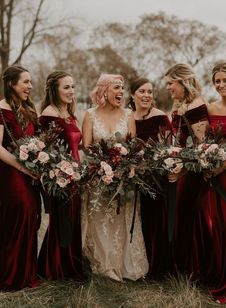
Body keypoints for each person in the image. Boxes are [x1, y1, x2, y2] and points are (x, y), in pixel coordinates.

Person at [82, 73, 148, 281]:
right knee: (100, 217)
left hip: (123, 177)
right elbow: (86, 146)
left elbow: (133, 146)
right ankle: (104, 263)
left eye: (122, 88)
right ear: (104, 91)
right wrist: (102, 166)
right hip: (98, 176)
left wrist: (124, 166)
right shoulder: (90, 115)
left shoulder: (129, 115)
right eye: (116, 88)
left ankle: (121, 263)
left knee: (120, 217)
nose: (121, 92)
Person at [191, 62, 226, 303]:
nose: (221, 85)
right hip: (213, 173)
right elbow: (204, 138)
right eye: (217, 81)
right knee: (210, 219)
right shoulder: (211, 107)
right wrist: (206, 161)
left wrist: (222, 167)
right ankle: (215, 273)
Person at [38, 71, 85, 281]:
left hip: (75, 175)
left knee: (72, 220)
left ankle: (70, 264)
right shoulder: (49, 114)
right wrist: (61, 173)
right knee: (61, 221)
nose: (71, 91)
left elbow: (74, 143)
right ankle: (54, 268)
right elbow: (47, 150)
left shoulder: (69, 113)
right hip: (60, 177)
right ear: (54, 89)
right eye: (66, 87)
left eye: (73, 87)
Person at [164, 63, 209, 275]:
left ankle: (190, 269)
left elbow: (202, 145)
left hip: (191, 171)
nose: (168, 88)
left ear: (183, 82)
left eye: (170, 83)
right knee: (177, 213)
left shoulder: (197, 106)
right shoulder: (181, 103)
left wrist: (182, 167)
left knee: (185, 213)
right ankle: (178, 266)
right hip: (179, 165)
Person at [0, 65, 40, 290]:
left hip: (30, 172)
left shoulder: (28, 109)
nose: (30, 86)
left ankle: (26, 273)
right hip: (9, 172)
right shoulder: (1, 109)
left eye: (31, 82)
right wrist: (23, 169)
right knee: (21, 211)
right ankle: (10, 275)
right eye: (25, 82)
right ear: (11, 84)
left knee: (31, 214)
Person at [128, 77, 171, 279]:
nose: (146, 95)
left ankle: (158, 266)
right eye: (142, 91)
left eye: (149, 92)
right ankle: (138, 263)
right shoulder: (129, 117)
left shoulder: (160, 117)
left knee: (154, 219)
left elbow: (169, 148)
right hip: (134, 176)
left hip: (157, 178)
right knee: (138, 218)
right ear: (132, 95)